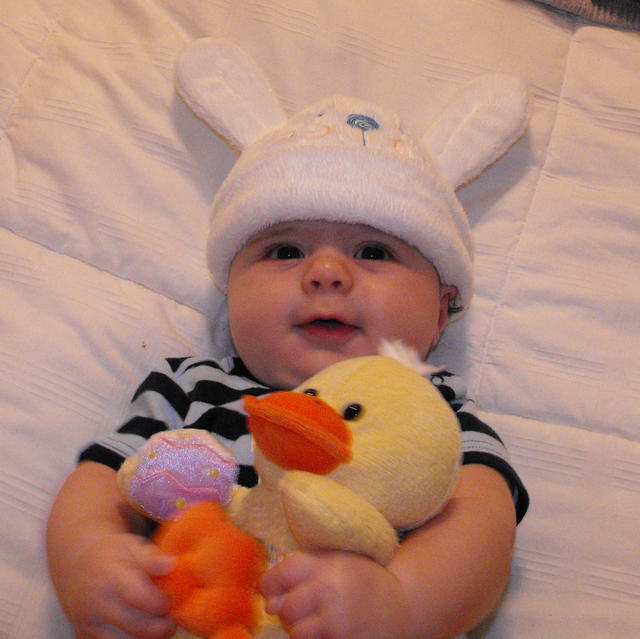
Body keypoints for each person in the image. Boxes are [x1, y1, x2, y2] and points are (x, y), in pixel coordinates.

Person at [47, 72, 530, 639]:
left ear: (442, 311)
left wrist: (402, 604)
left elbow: (482, 524)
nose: (325, 272)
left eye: (374, 251)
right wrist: (88, 558)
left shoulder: (435, 410)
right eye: (284, 250)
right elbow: (101, 484)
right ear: (229, 290)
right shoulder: (189, 386)